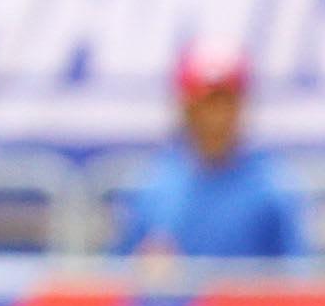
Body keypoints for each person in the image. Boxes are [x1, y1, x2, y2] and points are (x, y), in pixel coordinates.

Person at [115, 44, 305, 260]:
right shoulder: (153, 187)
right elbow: (120, 277)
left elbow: (297, 283)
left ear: (241, 107)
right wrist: (146, 273)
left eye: (226, 104)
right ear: (185, 108)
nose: (215, 118)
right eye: (204, 105)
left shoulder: (272, 189)